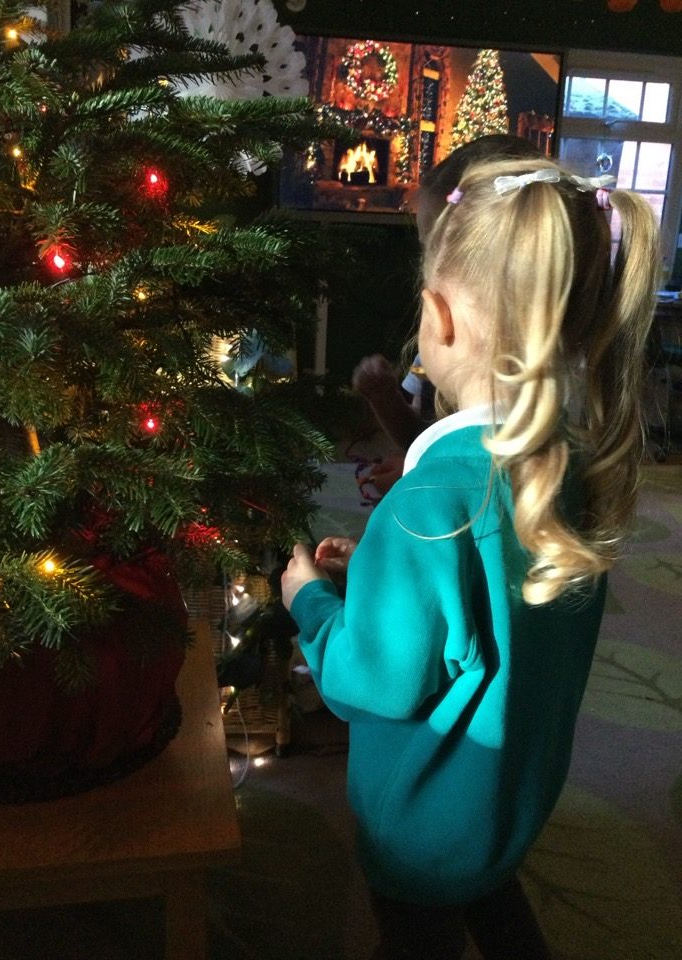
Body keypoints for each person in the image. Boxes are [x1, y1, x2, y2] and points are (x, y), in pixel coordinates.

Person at [282, 155, 659, 959]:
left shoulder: (426, 506)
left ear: (437, 316)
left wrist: (309, 601)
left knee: (417, 939)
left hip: (421, 819)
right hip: (506, 800)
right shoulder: (564, 471)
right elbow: (487, 604)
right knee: (492, 899)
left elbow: (367, 681)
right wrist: (379, 570)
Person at [353, 135, 541, 495]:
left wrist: (419, 489)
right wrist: (385, 398)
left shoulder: (536, 380)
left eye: (438, 252)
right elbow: (422, 436)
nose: (427, 273)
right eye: (427, 249)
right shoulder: (433, 357)